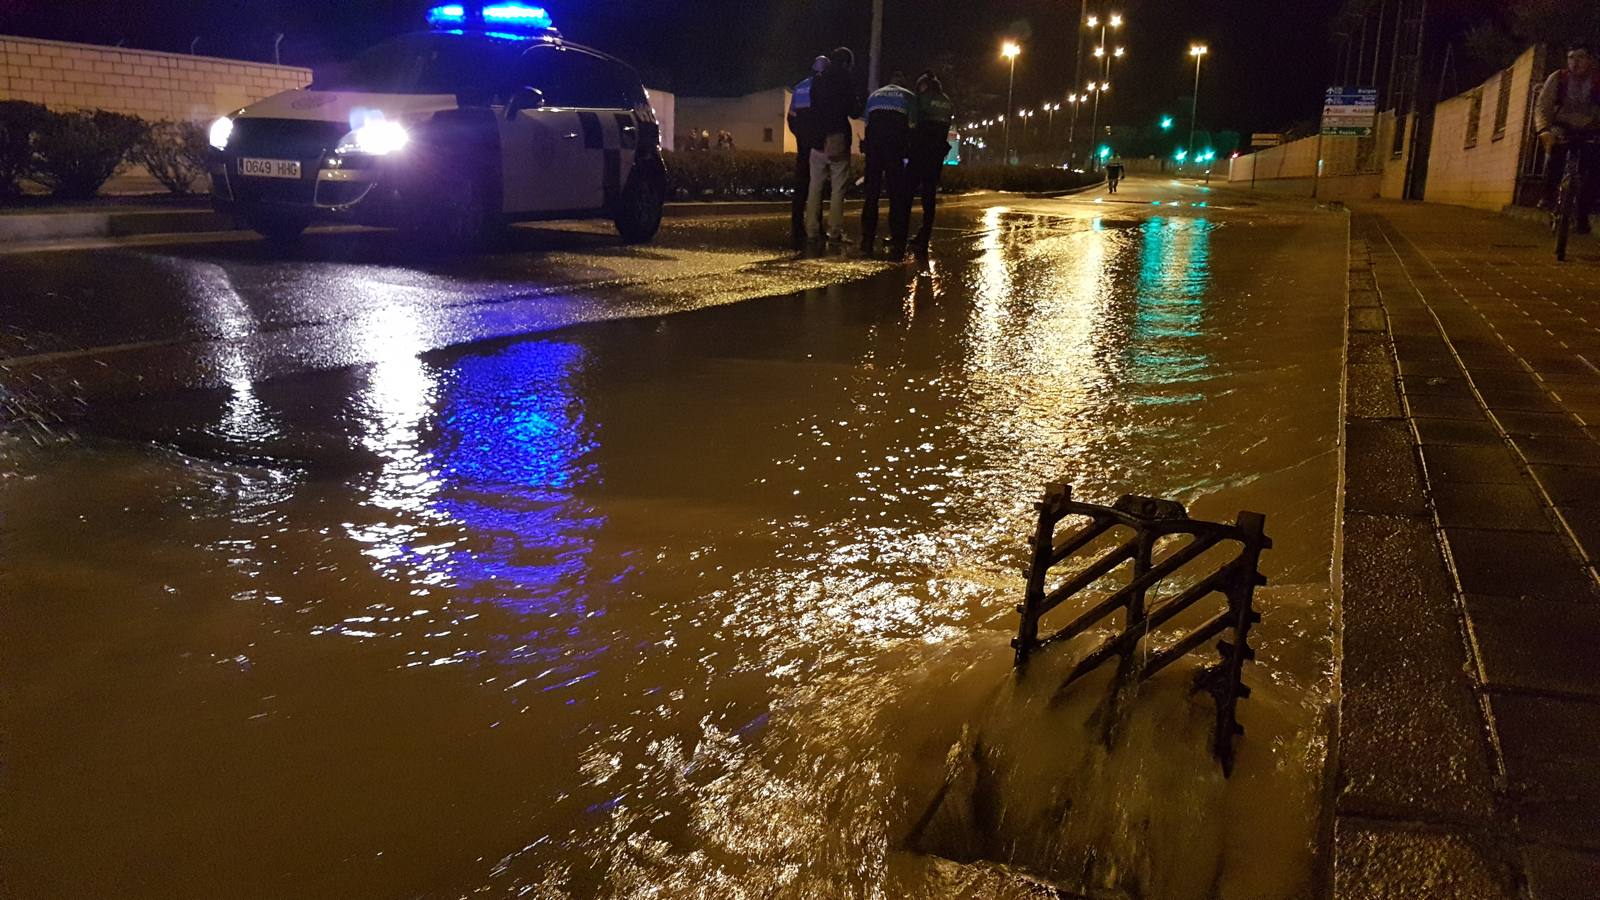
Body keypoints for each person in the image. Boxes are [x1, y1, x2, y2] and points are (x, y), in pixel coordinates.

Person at [1535, 43, 1600, 234]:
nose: (1575, 62)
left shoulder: (1597, 81)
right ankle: (1548, 194)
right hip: (1562, 126)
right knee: (1554, 153)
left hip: (1591, 128)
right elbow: (1542, 106)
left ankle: (1583, 212)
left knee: (1595, 169)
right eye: (1571, 57)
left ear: (1590, 60)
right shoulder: (1558, 78)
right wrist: (1543, 130)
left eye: (1580, 57)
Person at [805, 46, 862, 251]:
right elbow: (854, 112)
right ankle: (834, 231)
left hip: (816, 138)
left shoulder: (818, 80)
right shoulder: (846, 80)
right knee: (838, 187)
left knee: (815, 185)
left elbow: (813, 106)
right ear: (846, 63)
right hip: (837, 137)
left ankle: (811, 230)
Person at [860, 71, 917, 257]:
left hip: (874, 147)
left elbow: (867, 124)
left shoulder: (874, 95)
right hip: (894, 148)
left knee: (872, 194)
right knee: (896, 195)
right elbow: (913, 126)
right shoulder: (908, 96)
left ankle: (867, 239)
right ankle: (897, 239)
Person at [908, 71, 954, 255]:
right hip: (936, 155)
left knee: (907, 193)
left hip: (920, 151)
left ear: (924, 86)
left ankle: (901, 234)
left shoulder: (922, 100)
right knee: (929, 196)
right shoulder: (947, 102)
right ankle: (924, 236)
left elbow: (913, 125)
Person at [788, 55, 828, 250]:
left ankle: (796, 224)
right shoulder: (822, 86)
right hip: (815, 140)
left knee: (800, 182)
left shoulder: (799, 86)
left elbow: (791, 116)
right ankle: (817, 225)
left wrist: (800, 137)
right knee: (816, 183)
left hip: (802, 139)